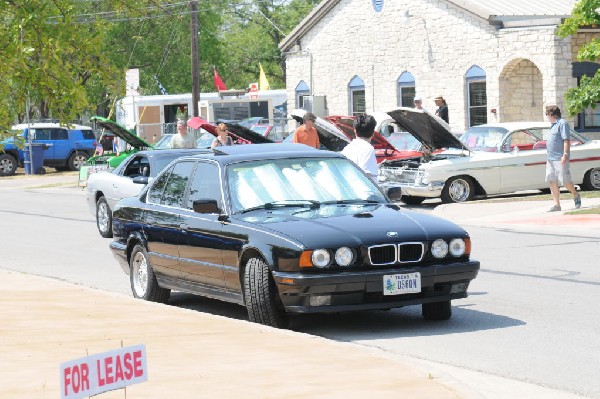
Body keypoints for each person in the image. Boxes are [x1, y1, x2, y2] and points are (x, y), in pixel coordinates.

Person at [545, 105, 581, 212]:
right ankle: (557, 205)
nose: (547, 117)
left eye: (547, 115)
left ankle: (575, 194)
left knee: (565, 181)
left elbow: (566, 139)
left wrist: (565, 154)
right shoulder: (552, 126)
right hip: (550, 159)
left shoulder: (562, 123)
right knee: (551, 180)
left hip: (560, 158)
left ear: (551, 115)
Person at [340, 113, 378, 182]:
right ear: (373, 133)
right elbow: (368, 178)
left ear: (355, 132)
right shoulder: (368, 149)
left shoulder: (347, 149)